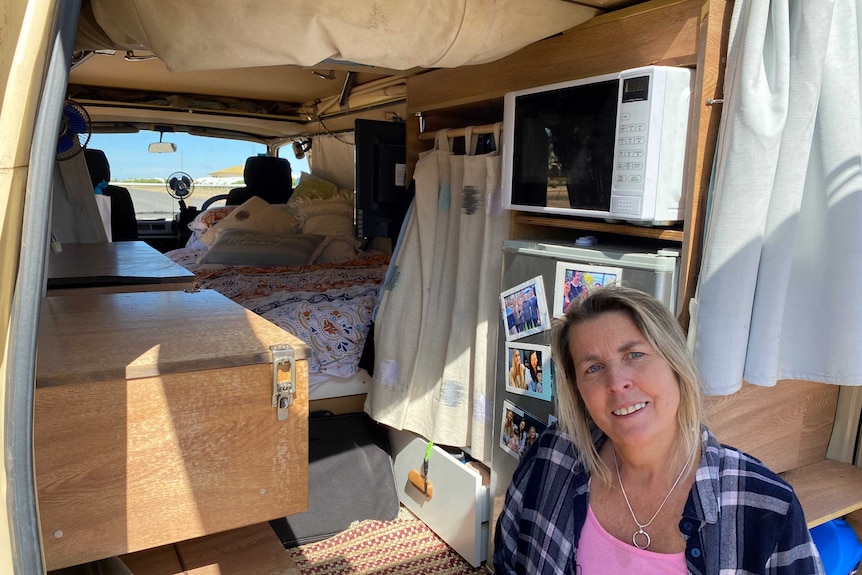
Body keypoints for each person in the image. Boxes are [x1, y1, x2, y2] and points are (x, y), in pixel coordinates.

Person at [494, 286, 824, 574]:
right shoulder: (552, 457)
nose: (616, 382)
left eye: (634, 355)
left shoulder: (766, 506)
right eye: (593, 368)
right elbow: (508, 560)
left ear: (675, 365)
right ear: (577, 390)